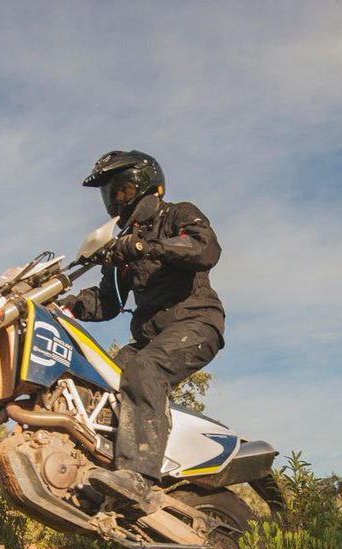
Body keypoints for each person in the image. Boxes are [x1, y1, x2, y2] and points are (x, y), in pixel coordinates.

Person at [61, 150, 225, 499]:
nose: (116, 200)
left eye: (122, 189)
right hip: (153, 336)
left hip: (196, 323)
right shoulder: (123, 248)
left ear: (146, 184)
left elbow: (204, 247)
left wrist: (144, 246)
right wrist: (66, 304)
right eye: (110, 194)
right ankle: (99, 470)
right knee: (97, 377)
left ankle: (137, 475)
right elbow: (107, 302)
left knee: (144, 371)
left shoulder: (178, 214)